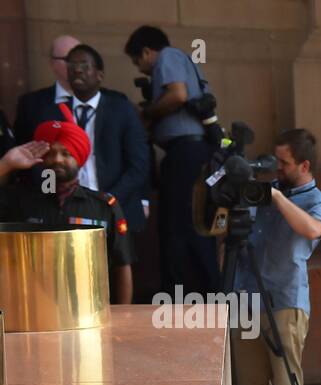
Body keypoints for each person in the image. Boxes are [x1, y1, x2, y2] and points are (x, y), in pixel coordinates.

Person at [230, 129, 321, 385]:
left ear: (304, 166)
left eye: (284, 163)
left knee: (287, 384)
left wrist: (276, 198)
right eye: (275, 161)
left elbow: (313, 228)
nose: (277, 168)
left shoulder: (317, 201)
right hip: (245, 300)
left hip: (285, 301)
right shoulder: (263, 191)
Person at [19, 44, 152, 243]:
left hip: (115, 208)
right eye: (72, 65)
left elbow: (139, 165)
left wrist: (107, 201)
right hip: (64, 211)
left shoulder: (122, 110)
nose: (77, 70)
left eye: (84, 65)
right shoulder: (50, 113)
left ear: (100, 75)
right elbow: (39, 163)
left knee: (118, 271)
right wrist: (51, 197)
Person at [124, 25, 218, 298]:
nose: (141, 69)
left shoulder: (168, 57)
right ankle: (198, 291)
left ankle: (180, 293)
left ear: (147, 51)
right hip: (188, 154)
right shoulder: (181, 60)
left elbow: (177, 95)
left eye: (137, 62)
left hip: (185, 155)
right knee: (188, 223)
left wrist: (146, 115)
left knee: (178, 227)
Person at [0, 118, 134, 304]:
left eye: (66, 153)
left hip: (89, 312)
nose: (57, 160)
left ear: (79, 159)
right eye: (51, 153)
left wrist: (124, 316)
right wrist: (6, 164)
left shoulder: (103, 206)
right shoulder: (21, 200)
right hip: (32, 312)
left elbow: (122, 265)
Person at [13, 34, 81, 144]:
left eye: (81, 59)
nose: (76, 66)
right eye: (68, 59)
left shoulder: (112, 103)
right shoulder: (30, 104)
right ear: (52, 63)